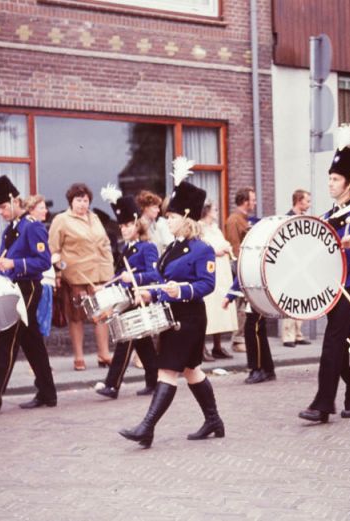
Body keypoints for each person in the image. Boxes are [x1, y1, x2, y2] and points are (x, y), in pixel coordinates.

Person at [119, 157, 224, 447]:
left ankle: (147, 427)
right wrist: (148, 291)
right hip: (172, 315)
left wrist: (183, 290)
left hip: (188, 318)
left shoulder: (201, 249)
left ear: (186, 217)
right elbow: (162, 279)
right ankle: (213, 419)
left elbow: (207, 284)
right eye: (167, 217)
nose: (167, 220)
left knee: (167, 371)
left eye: (172, 217)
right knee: (191, 370)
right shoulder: (171, 249)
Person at [298, 124, 350, 423]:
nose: (330, 184)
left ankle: (323, 405)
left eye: (335, 179)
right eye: (330, 178)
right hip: (335, 287)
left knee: (333, 343)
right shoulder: (328, 216)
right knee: (346, 343)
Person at [0, 168, 57, 413]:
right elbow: (7, 263)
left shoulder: (32, 226)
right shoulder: (11, 230)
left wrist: (14, 264)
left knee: (7, 338)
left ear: (15, 201)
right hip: (14, 286)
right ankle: (48, 393)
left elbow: (45, 261)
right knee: (32, 342)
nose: (2, 213)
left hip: (27, 288)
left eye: (3, 208)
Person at [95, 190, 160, 398]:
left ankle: (112, 385)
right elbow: (119, 275)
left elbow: (154, 274)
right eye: (121, 226)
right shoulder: (127, 249)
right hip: (127, 299)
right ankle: (155, 381)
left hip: (140, 298)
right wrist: (104, 287)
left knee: (125, 341)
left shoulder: (147, 247)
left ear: (137, 224)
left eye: (128, 225)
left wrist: (134, 279)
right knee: (143, 343)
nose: (123, 230)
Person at [49, 183, 115, 370]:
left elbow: (106, 242)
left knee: (101, 315)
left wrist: (108, 262)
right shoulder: (61, 220)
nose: (82, 204)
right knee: (76, 317)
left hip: (100, 275)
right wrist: (59, 272)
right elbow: (54, 249)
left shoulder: (94, 218)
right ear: (71, 201)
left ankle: (104, 354)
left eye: (85, 200)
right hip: (76, 277)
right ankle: (79, 357)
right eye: (78, 200)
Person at [199, 201, 237, 361]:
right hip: (210, 270)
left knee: (220, 309)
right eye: (214, 209)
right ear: (206, 210)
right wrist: (216, 251)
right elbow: (200, 248)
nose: (217, 211)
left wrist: (227, 248)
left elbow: (222, 242)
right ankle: (202, 348)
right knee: (209, 309)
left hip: (222, 273)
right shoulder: (199, 227)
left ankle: (218, 346)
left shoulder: (215, 228)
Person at [225, 187, 256, 352]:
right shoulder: (233, 220)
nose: (255, 203)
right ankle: (237, 340)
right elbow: (234, 247)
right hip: (240, 267)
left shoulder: (244, 219)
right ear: (245, 202)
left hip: (246, 266)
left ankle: (241, 337)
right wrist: (240, 270)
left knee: (245, 304)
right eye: (253, 199)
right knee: (241, 304)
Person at [282, 189, 312, 347]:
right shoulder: (288, 219)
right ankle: (288, 336)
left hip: (302, 263)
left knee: (301, 297)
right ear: (299, 201)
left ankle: (298, 333)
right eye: (307, 201)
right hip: (292, 264)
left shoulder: (304, 218)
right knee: (291, 297)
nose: (309, 204)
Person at [25, 195, 55, 338]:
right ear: (31, 210)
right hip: (42, 280)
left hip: (44, 280)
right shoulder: (35, 227)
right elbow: (42, 258)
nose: (46, 211)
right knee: (40, 321)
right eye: (41, 208)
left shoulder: (27, 226)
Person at [136, 190, 173, 255]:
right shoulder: (138, 227)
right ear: (146, 208)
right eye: (155, 207)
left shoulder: (155, 225)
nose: (158, 210)